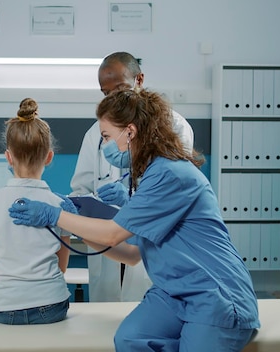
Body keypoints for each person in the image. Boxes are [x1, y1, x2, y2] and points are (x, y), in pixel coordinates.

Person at [9, 89, 260, 351]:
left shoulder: (170, 173)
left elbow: (112, 235)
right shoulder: (151, 174)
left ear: (130, 132)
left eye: (107, 137)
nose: (106, 145)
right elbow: (130, 254)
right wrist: (82, 224)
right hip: (173, 293)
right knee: (129, 339)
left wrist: (57, 215)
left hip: (214, 294)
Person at [70, 51, 194, 302]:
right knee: (105, 325)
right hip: (110, 247)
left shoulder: (174, 127)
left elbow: (172, 195)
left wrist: (132, 200)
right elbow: (80, 187)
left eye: (121, 88)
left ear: (139, 80)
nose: (114, 98)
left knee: (148, 324)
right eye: (106, 93)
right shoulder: (96, 133)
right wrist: (75, 206)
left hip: (150, 243)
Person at [0, 98, 71, 325]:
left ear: (8, 157)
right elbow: (62, 267)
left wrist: (9, 283)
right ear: (49, 156)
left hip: (1, 307)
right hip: (52, 306)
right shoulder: (61, 206)